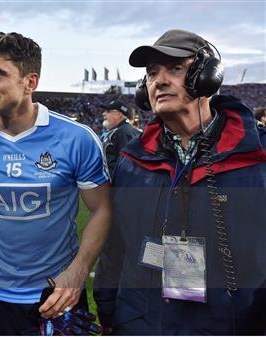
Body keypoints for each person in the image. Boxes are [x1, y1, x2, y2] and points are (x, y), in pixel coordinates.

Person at [93, 29, 266, 335]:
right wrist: (108, 311)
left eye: (175, 68)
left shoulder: (258, 157)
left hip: (231, 326)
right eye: (151, 73)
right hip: (141, 324)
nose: (159, 80)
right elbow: (115, 246)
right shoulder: (132, 162)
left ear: (207, 76)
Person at [0, 32, 112, 335]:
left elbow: (102, 210)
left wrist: (78, 270)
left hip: (57, 295)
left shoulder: (76, 139)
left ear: (30, 82)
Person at [100, 100, 141, 179]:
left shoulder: (123, 132)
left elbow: (127, 167)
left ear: (119, 114)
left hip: (120, 188)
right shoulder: (121, 130)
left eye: (108, 111)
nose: (104, 114)